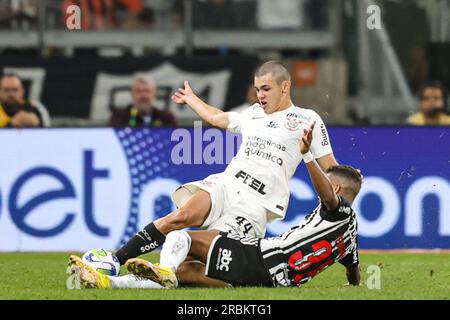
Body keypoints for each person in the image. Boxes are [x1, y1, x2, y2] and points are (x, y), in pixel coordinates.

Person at [73, 60, 338, 272]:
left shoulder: (307, 119)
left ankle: (155, 274)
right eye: (257, 89)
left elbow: (332, 169)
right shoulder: (252, 113)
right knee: (181, 216)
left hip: (257, 204)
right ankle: (116, 260)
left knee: (200, 262)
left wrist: (345, 182)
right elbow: (218, 118)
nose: (260, 96)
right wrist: (191, 99)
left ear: (285, 86)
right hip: (228, 183)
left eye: (266, 89)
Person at [69, 123, 361, 289]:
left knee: (181, 235)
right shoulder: (351, 236)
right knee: (191, 273)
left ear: (335, 187)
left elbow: (328, 198)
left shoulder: (338, 208)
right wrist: (353, 287)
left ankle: (163, 269)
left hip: (261, 257)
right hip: (273, 283)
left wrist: (308, 157)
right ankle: (107, 284)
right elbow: (353, 271)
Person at [109, 73, 177, 127]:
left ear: (154, 94)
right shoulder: (119, 117)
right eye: (139, 91)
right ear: (132, 94)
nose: (143, 95)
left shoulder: (165, 117)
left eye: (147, 91)